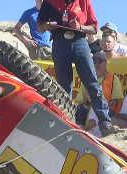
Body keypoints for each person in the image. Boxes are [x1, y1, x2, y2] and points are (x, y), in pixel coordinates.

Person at [38, 0, 113, 136]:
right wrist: (47, 25)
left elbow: (94, 28)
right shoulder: (49, 1)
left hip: (80, 41)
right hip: (59, 42)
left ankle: (105, 122)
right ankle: (65, 123)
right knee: (64, 86)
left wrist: (80, 26)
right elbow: (40, 26)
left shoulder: (85, 1)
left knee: (92, 82)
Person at [80, 50, 124, 131]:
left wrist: (99, 105)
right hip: (90, 110)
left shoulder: (113, 79)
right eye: (94, 62)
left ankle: (84, 129)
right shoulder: (88, 80)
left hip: (108, 111)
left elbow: (115, 101)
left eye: (100, 61)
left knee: (98, 107)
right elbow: (82, 101)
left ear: (106, 63)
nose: (97, 64)